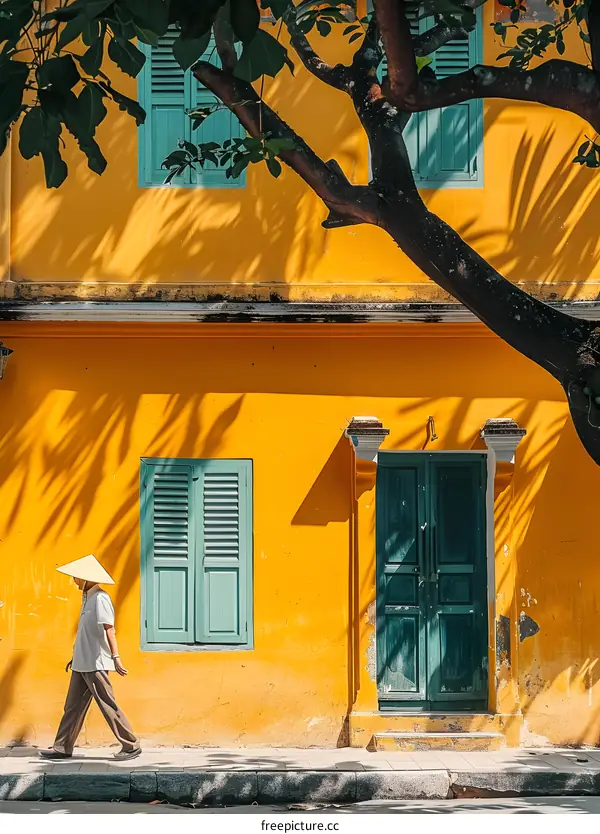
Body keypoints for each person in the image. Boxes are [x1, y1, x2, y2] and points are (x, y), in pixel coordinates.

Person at [39, 554, 141, 761]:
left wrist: (116, 657)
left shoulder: (100, 598)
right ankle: (62, 747)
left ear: (86, 578)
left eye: (76, 577)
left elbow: (109, 629)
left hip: (95, 663)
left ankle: (131, 745)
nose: (74, 580)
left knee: (107, 704)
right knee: (72, 706)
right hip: (81, 662)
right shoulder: (87, 599)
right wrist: (75, 655)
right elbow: (86, 634)